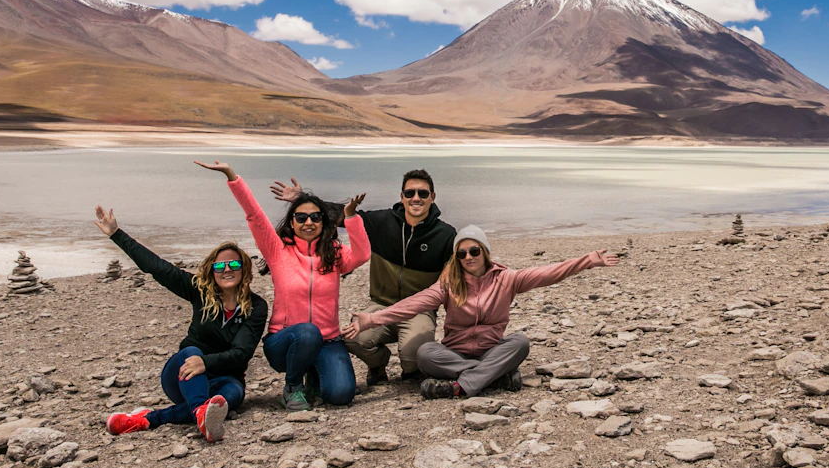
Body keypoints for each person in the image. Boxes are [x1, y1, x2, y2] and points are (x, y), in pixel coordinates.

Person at [340, 226, 620, 398]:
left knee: (520, 342)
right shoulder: (448, 284)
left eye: (474, 251)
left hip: (490, 349)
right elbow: (415, 303)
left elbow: (548, 273)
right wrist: (374, 318)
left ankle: (460, 387)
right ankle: (494, 377)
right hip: (455, 353)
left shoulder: (507, 279)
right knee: (425, 352)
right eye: (461, 254)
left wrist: (586, 261)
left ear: (485, 252)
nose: (468, 257)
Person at [196, 161, 370, 412]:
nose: (308, 222)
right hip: (285, 341)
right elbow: (254, 215)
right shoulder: (278, 250)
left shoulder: (334, 254)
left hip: (328, 340)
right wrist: (232, 177)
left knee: (340, 395)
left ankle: (313, 373)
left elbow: (363, 253)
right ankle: (293, 387)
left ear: (323, 222)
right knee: (308, 332)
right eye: (301, 217)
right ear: (292, 222)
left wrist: (351, 217)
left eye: (315, 217)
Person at [94, 205, 267, 442]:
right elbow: (157, 266)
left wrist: (205, 362)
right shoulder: (199, 291)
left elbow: (242, 354)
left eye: (234, 264)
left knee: (233, 395)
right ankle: (200, 412)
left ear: (243, 269)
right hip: (182, 376)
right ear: (212, 271)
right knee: (191, 352)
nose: (227, 269)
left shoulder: (256, 306)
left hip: (224, 379)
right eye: (220, 265)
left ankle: (146, 419)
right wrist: (116, 234)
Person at [272, 169, 455, 387]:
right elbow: (343, 215)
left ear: (432, 197)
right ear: (402, 196)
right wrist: (302, 201)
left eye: (423, 194)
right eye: (410, 193)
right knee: (352, 337)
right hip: (380, 304)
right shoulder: (383, 222)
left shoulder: (445, 234)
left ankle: (410, 369)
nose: (416, 198)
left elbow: (458, 268)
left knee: (413, 356)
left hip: (418, 310)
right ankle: (378, 364)